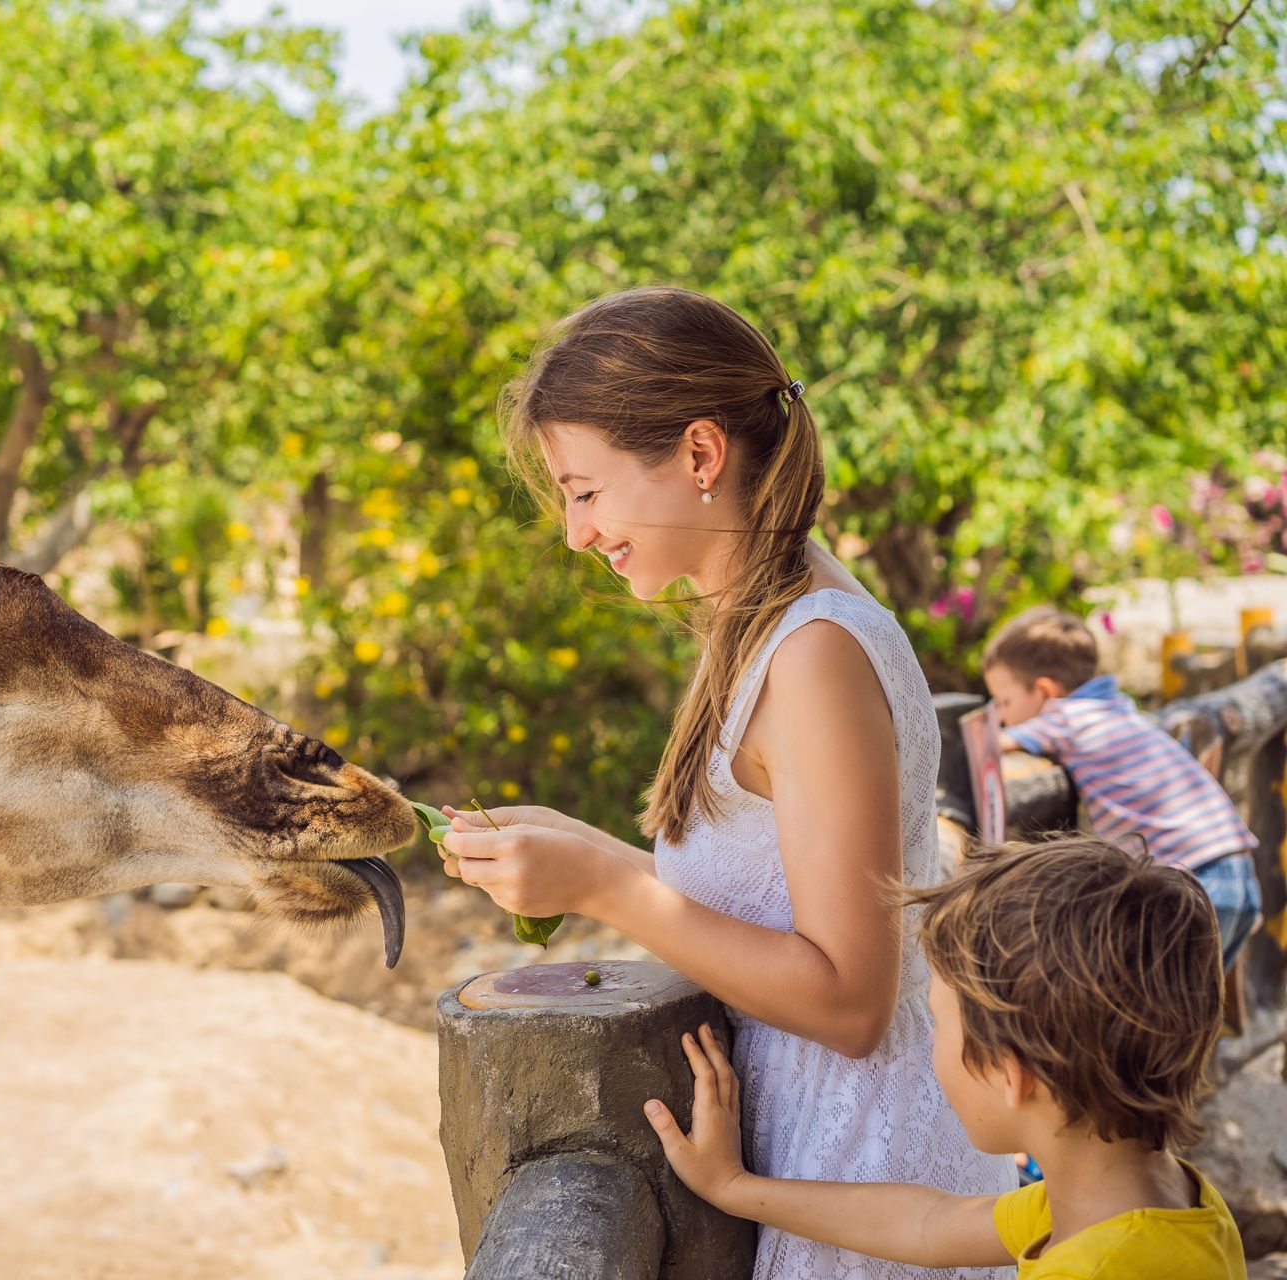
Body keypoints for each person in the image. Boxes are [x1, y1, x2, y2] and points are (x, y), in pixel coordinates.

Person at [439, 285, 1011, 1277]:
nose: (577, 532)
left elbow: (849, 997)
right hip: (824, 1150)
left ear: (700, 455)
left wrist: (607, 887)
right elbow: (784, 892)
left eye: (585, 490)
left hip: (851, 1166)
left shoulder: (814, 651)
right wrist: (582, 853)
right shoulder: (769, 613)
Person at [644, 836, 1246, 1279]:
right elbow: (927, 1225)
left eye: (939, 1024)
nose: (933, 1047)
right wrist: (732, 1186)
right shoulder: (1154, 1202)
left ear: (1015, 1075)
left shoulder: (1099, 1264)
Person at [982, 606, 1262, 971]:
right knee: (1194, 1011)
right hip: (1236, 869)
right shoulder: (1117, 708)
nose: (1002, 715)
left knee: (1162, 1013)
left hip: (1189, 880)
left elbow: (993, 744)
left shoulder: (1064, 717)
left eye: (1004, 702)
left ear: (1044, 691)